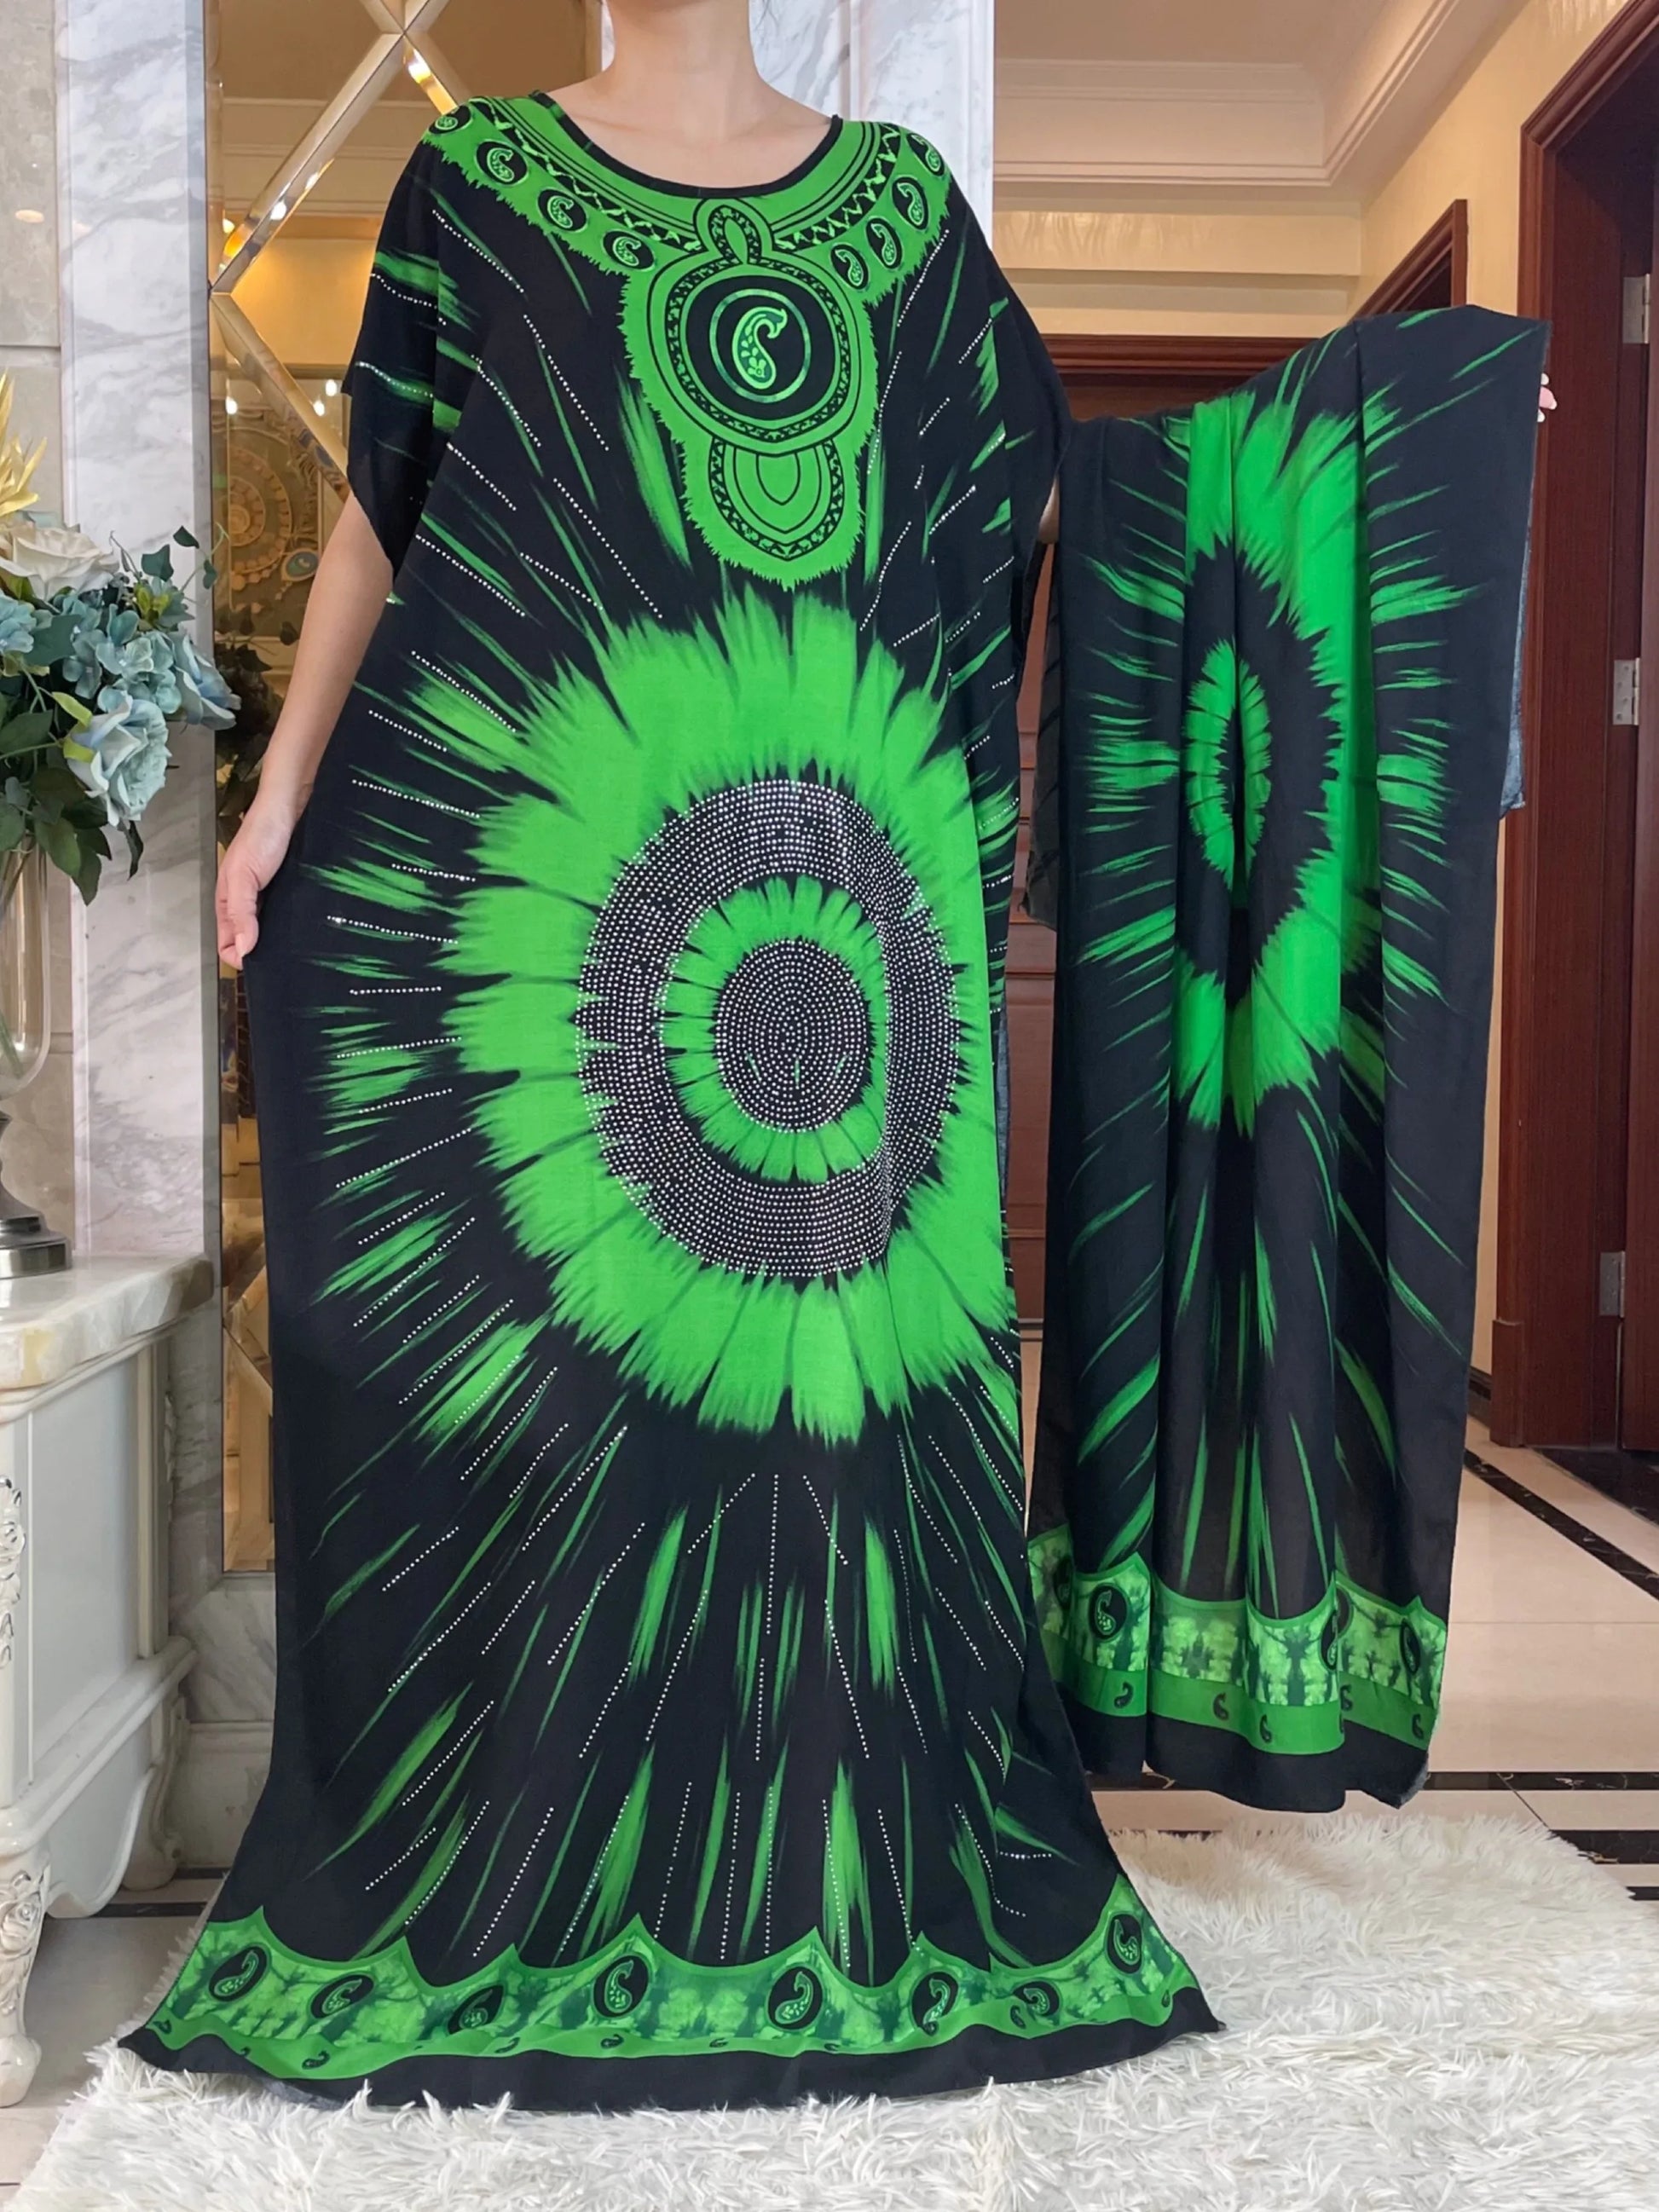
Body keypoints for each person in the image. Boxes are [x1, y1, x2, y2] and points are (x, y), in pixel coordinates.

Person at [123, 0, 1549, 2114]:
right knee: (548, 1395)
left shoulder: (904, 214)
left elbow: (1044, 515)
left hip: (841, 961)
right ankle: (539, 1854)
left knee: (815, 1429)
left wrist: (1383, 448)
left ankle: (820, 1850)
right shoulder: (477, 187)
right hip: (549, 929)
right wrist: (274, 804)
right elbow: (382, 521)